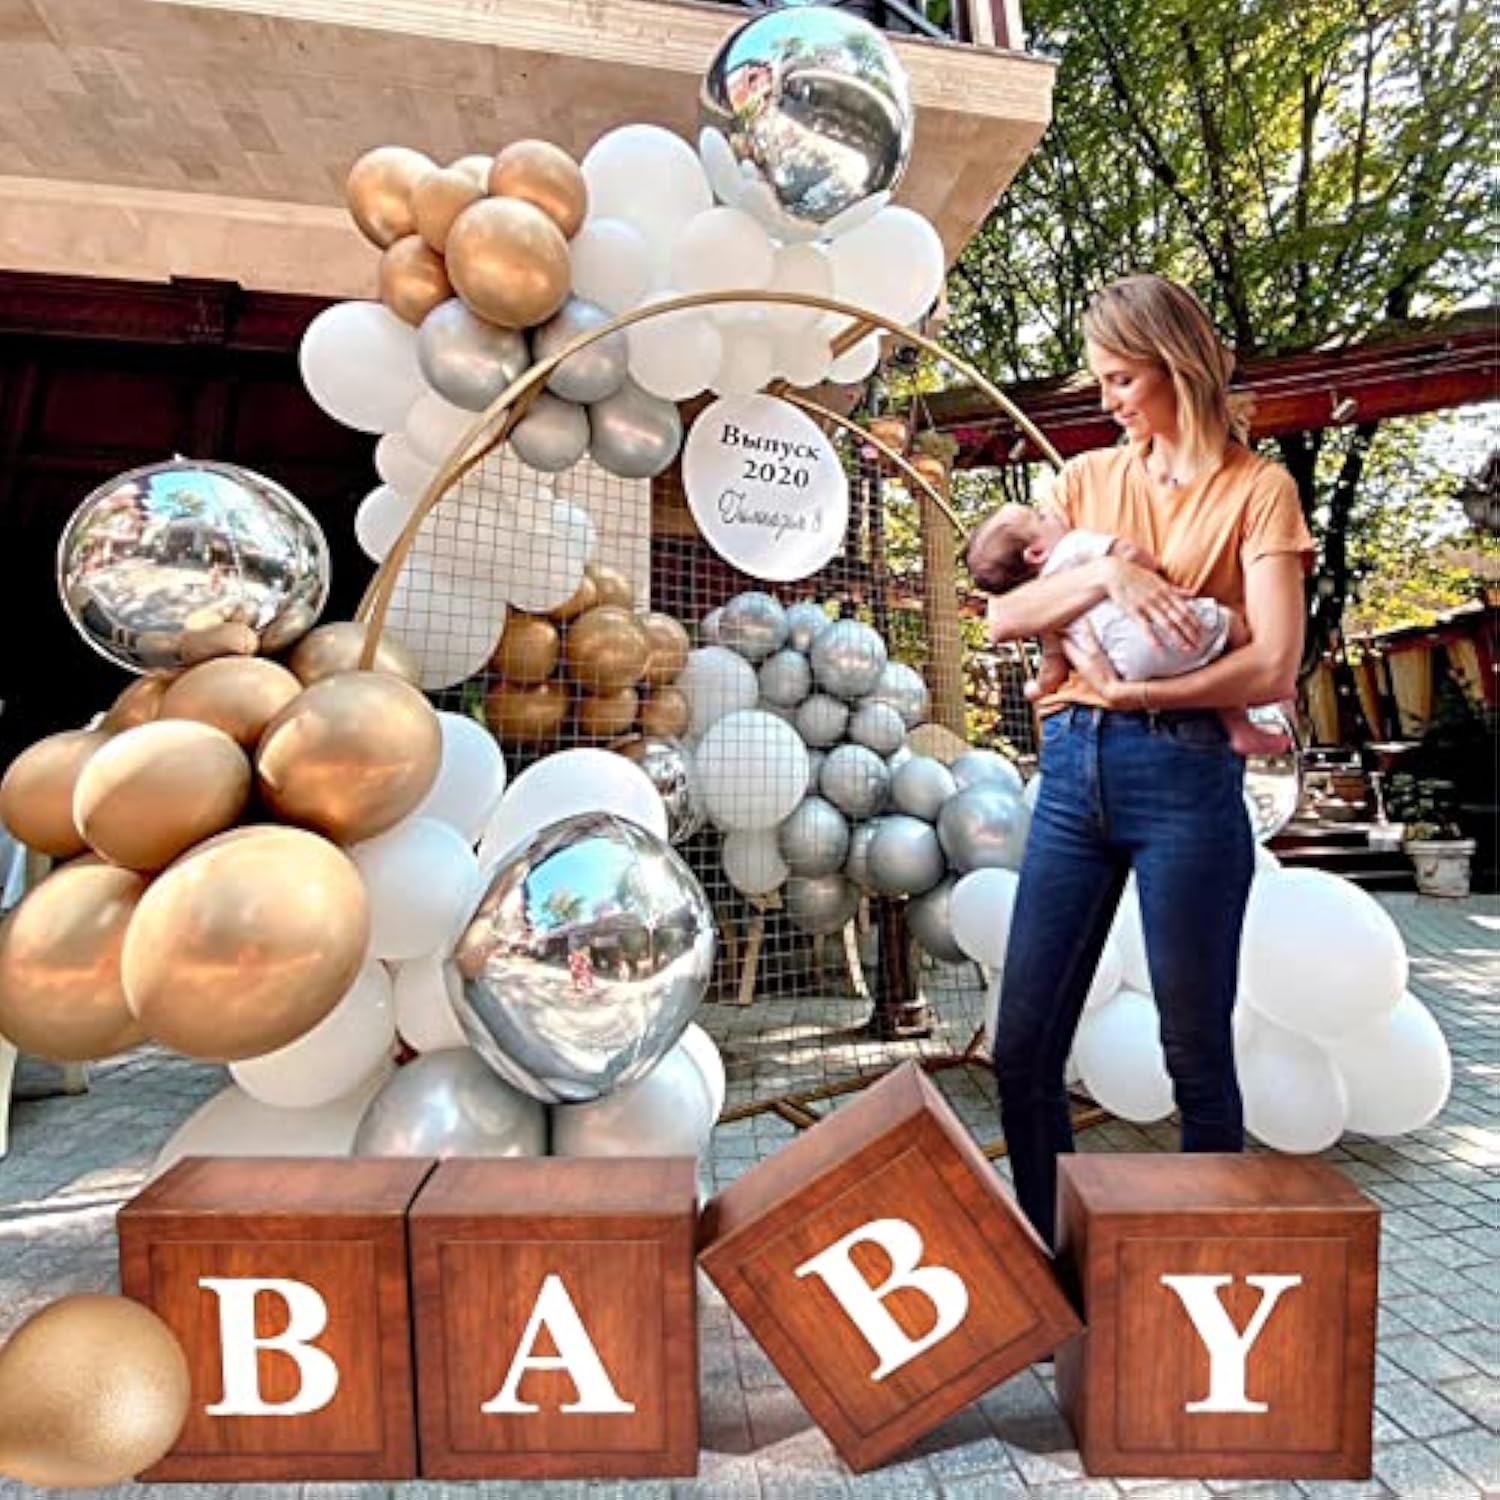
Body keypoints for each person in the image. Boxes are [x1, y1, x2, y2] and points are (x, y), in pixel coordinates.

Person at [974, 274, 1313, 1249]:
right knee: (1023, 1049)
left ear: (1178, 366)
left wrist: (1144, 695)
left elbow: (1274, 660)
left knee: (1196, 1056)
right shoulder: (1087, 482)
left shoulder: (1260, 490)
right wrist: (1110, 573)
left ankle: (1200, 1284)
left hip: (1186, 781)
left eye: (1123, 378)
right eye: (1103, 382)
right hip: (1074, 775)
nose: (1111, 400)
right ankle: (1052, 1263)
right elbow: (1005, 612)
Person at [966, 503, 1291, 758]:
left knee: (1076, 644)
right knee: (1232, 625)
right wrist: (1138, 571)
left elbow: (1053, 666)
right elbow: (1136, 557)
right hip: (1169, 630)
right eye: (1039, 516)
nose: (1050, 513)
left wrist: (1037, 688)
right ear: (1036, 552)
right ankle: (1238, 720)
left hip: (1124, 669)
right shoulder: (1073, 546)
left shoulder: (1047, 601)